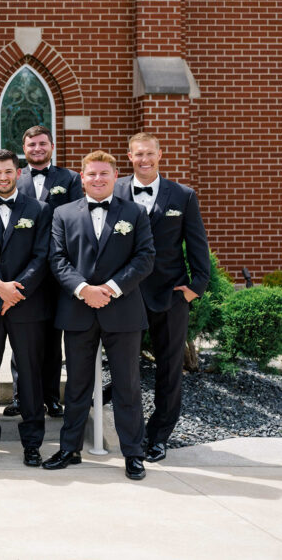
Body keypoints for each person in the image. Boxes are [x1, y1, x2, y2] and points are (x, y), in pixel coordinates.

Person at [43, 150, 155, 481]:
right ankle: (70, 448)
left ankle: (133, 453)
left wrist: (110, 288)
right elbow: (57, 258)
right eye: (91, 174)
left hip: (123, 310)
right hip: (78, 309)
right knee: (76, 385)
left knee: (127, 385)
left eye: (104, 173)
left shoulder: (134, 212)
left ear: (115, 176)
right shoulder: (63, 213)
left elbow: (145, 257)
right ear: (82, 177)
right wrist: (83, 290)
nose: (97, 179)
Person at [115, 132, 209, 463]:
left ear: (159, 154)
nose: (144, 159)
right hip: (125, 294)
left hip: (170, 294)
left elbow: (196, 242)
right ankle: (132, 434)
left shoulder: (182, 195)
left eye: (149, 153)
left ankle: (158, 436)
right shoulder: (115, 190)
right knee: (125, 367)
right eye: (138, 154)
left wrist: (197, 286)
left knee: (169, 368)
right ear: (129, 156)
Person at [0, 149, 52, 467]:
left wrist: (15, 291)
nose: (3, 177)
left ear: (18, 173)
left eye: (8, 171)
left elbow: (42, 255)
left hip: (27, 306)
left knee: (30, 377)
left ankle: (32, 443)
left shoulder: (39, 210)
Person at [4, 125, 84, 418]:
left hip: (55, 274)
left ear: (51, 146)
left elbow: (76, 220)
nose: (37, 149)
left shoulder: (70, 178)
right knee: (21, 339)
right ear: (23, 149)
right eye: (31, 145)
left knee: (52, 339)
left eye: (42, 144)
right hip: (22, 271)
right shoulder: (15, 178)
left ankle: (51, 397)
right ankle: (20, 396)